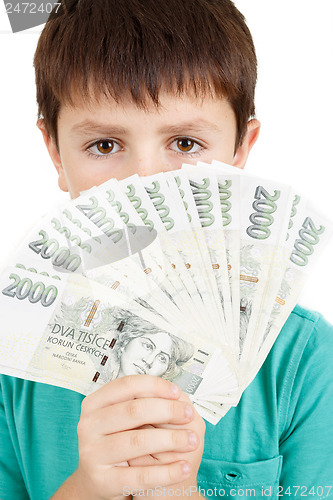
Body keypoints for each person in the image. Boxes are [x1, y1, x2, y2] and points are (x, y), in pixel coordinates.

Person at [1, 0, 333, 499]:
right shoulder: (13, 362)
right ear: (56, 153)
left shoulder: (307, 361)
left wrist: (174, 487)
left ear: (240, 151)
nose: (146, 184)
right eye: (106, 145)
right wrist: (89, 488)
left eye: (184, 143)